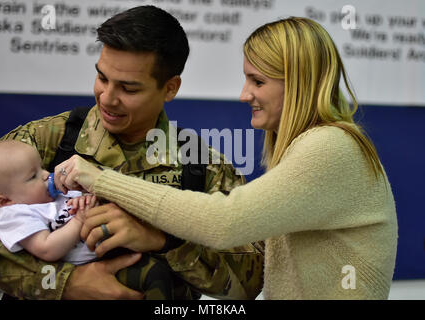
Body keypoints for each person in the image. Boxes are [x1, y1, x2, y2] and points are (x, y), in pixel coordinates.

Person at [57, 17, 398, 300]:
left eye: (258, 81)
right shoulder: (314, 147)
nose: (244, 94)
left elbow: (223, 223)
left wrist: (101, 179)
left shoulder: (330, 148)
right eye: (102, 77)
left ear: (298, 83)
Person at [0, 5, 263, 300]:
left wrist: (165, 241)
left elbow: (249, 283)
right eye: (102, 78)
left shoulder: (202, 167)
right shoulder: (44, 141)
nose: (107, 98)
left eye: (129, 89)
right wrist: (63, 282)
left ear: (170, 88)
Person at [0, 140, 185, 300]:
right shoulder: (15, 215)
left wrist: (85, 199)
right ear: (4, 200)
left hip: (111, 246)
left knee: (169, 279)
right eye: (32, 176)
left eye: (41, 168)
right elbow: (47, 248)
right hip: (83, 269)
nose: (45, 175)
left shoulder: (46, 196)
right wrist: (79, 220)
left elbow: (77, 206)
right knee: (153, 278)